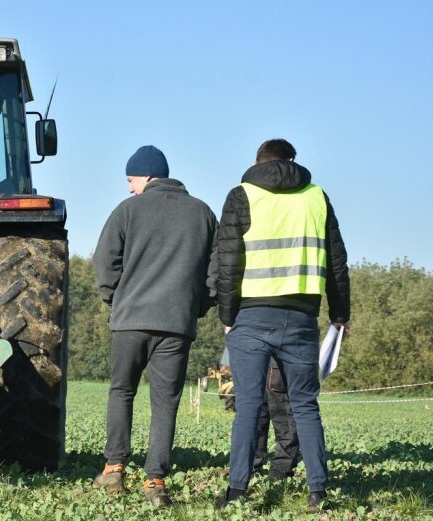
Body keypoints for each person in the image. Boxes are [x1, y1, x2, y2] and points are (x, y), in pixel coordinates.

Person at [215, 139, 350, 513]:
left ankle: (238, 490)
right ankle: (318, 492)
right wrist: (340, 314)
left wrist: (227, 317)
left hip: (250, 316)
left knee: (247, 405)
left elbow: (228, 262)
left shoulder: (241, 195)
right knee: (305, 406)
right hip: (302, 316)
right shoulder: (317, 197)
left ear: (257, 161)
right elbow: (337, 262)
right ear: (293, 161)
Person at [92, 145, 218, 509]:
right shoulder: (203, 213)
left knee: (122, 391)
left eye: (131, 180)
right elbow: (218, 270)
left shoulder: (127, 210)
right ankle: (155, 480)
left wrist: (115, 301)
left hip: (130, 321)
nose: (130, 188)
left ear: (146, 176)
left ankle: (114, 467)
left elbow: (105, 261)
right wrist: (198, 306)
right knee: (165, 403)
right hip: (177, 324)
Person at [253, 356, 300, 480]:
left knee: (279, 416)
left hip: (263, 357)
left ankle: (280, 469)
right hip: (271, 358)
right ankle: (281, 468)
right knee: (280, 416)